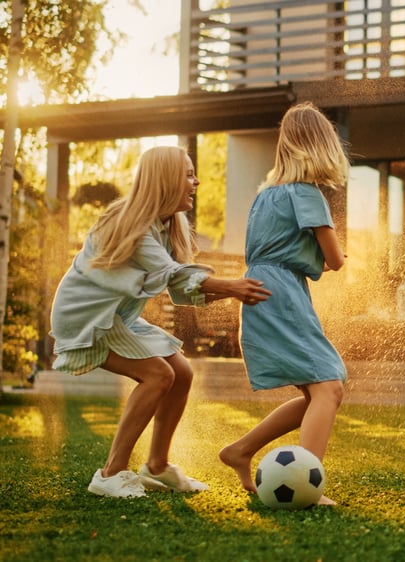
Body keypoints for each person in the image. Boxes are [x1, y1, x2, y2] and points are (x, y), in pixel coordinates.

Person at [50, 146, 273, 498]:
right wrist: (231, 286)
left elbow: (180, 289)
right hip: (87, 317)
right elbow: (173, 274)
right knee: (158, 375)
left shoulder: (169, 224)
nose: (196, 182)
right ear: (165, 179)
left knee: (181, 372)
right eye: (188, 175)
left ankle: (157, 466)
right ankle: (110, 474)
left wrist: (232, 292)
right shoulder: (132, 222)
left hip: (118, 317)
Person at [218, 102, 349, 507]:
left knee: (319, 391)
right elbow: (335, 260)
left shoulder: (266, 194)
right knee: (328, 385)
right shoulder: (307, 194)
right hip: (282, 294)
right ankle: (305, 485)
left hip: (262, 289)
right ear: (322, 146)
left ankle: (240, 450)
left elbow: (274, 250)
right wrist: (331, 256)